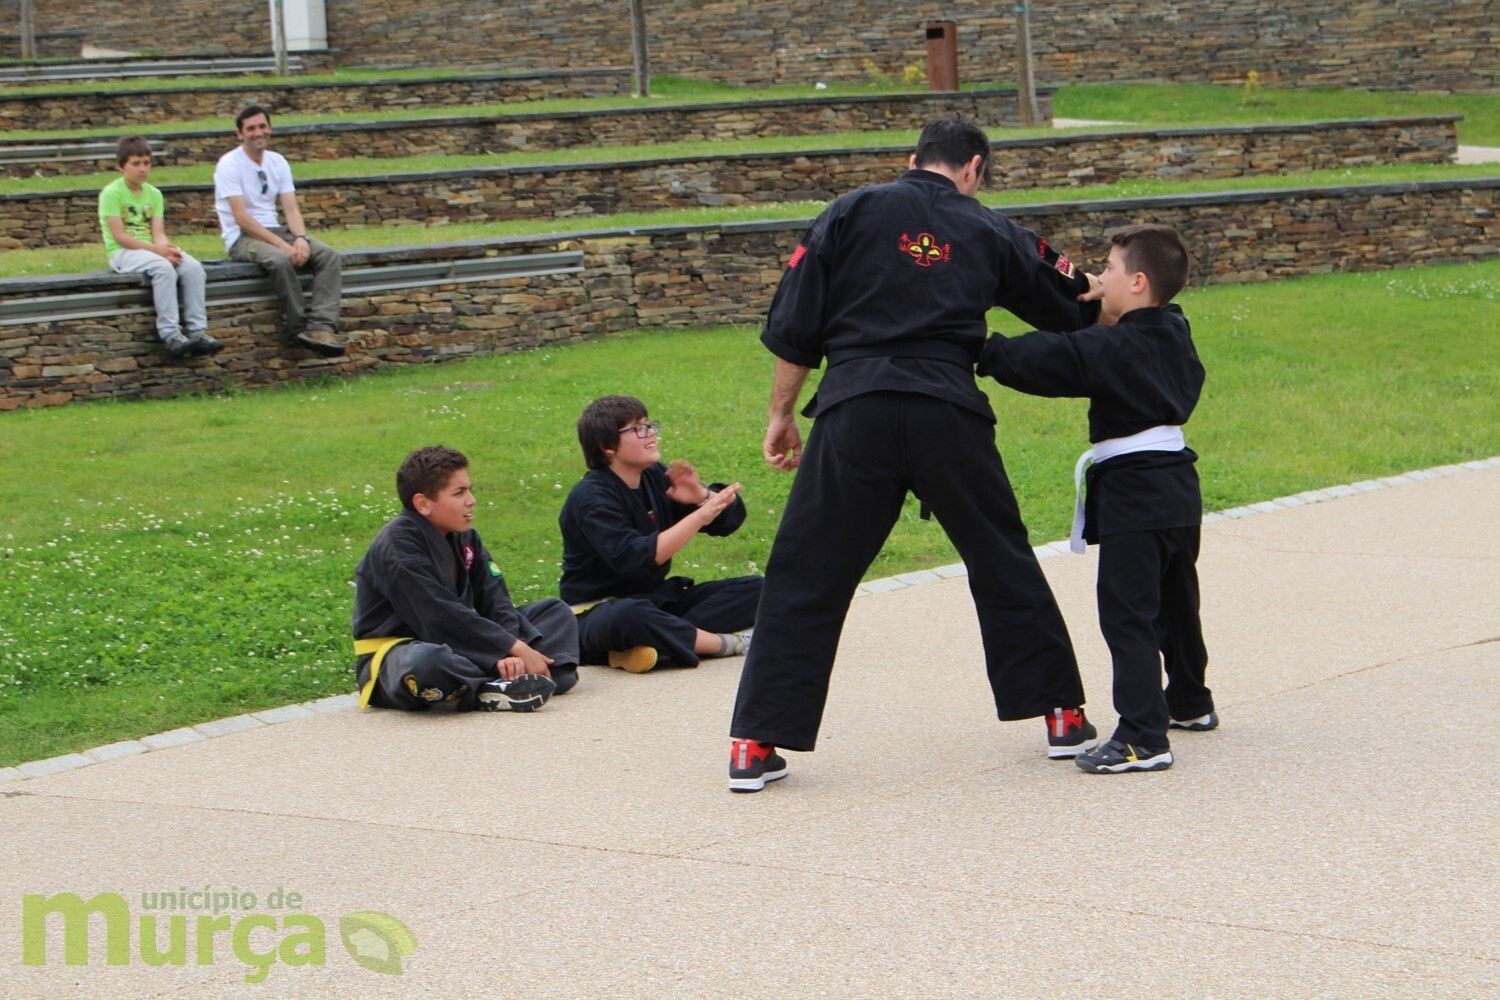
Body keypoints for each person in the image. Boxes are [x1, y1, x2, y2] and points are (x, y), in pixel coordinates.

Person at [727, 114, 1103, 793]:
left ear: (912, 159)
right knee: (1000, 557)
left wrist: (781, 414)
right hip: (947, 411)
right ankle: (1063, 716)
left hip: (854, 409)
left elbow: (796, 325)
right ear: (974, 169)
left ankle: (755, 745)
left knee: (807, 571)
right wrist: (1103, 283)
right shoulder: (992, 228)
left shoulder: (846, 212)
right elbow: (1073, 297)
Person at [978, 223, 1215, 774]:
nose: (1098, 277)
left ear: (1137, 282)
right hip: (1179, 487)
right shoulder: (1175, 328)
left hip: (1136, 493)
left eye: (1107, 269)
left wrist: (981, 348)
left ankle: (1142, 737)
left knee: (1128, 615)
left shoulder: (1114, 347)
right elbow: (1121, 330)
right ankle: (1190, 700)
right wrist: (1103, 298)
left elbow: (1045, 359)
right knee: (1177, 606)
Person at [352, 445, 580, 713]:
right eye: (459, 493)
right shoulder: (398, 545)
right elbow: (439, 616)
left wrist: (512, 650)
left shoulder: (465, 536)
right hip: (402, 656)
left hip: (461, 643)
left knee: (555, 612)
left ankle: (501, 681)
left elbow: (496, 601)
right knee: (428, 661)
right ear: (423, 504)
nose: (471, 500)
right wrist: (509, 649)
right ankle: (502, 681)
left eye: (470, 490)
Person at [558, 395, 762, 673]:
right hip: (597, 614)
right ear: (607, 446)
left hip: (654, 602)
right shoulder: (591, 499)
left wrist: (701, 496)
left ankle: (656, 644)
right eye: (638, 429)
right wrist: (699, 516)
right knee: (630, 617)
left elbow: (727, 523)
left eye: (649, 425)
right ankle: (725, 644)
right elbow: (635, 560)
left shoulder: (654, 476)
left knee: (759, 589)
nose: (651, 433)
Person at [213, 104, 344, 356]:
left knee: (329, 256)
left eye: (263, 126)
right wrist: (283, 245)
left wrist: (300, 238)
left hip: (275, 229)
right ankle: (299, 327)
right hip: (242, 237)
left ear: (270, 128)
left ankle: (322, 327)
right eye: (251, 128)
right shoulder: (229, 164)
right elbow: (241, 217)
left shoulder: (278, 162)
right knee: (279, 259)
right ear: (240, 134)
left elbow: (291, 209)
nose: (258, 132)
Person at [99, 136, 223, 359]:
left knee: (193, 267)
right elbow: (120, 237)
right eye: (136, 164)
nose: (142, 169)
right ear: (120, 166)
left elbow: (158, 233)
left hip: (151, 251)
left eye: (146, 163)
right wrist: (158, 253)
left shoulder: (154, 194)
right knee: (163, 269)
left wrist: (167, 250)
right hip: (124, 253)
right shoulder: (111, 193)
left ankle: (198, 333)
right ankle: (171, 335)